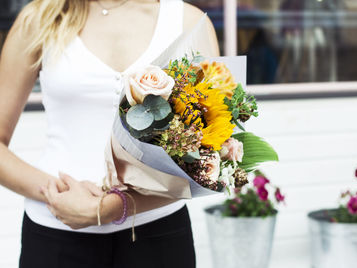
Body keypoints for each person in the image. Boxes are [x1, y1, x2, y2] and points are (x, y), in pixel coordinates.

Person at [0, 0, 219, 267]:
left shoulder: (187, 21)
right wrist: (57, 193)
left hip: (158, 235)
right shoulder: (40, 18)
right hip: (55, 235)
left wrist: (112, 207)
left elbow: (210, 156)